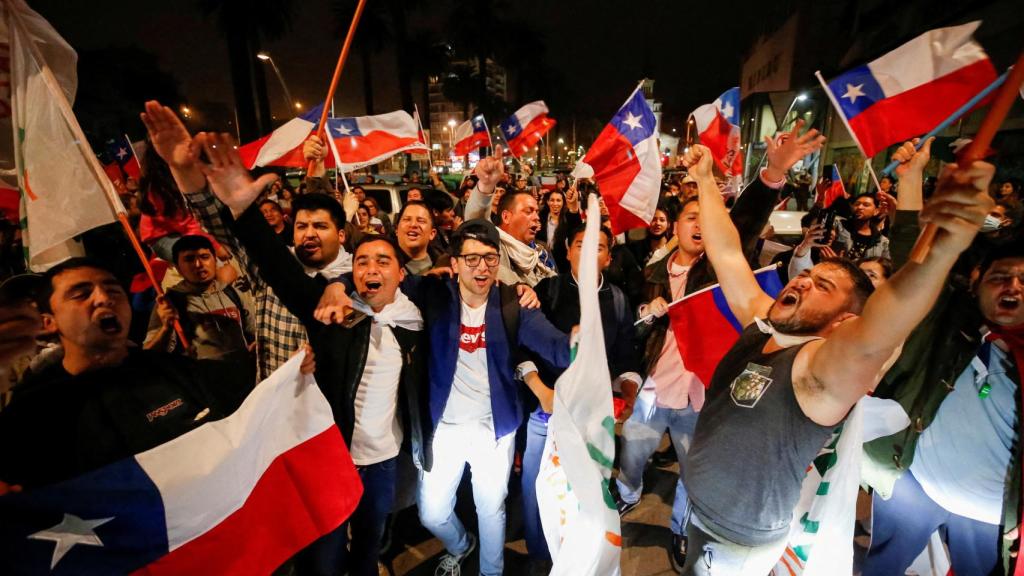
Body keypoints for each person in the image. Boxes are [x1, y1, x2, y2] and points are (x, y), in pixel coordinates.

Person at [677, 140, 992, 575]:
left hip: (735, 541)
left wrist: (943, 250)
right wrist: (705, 179)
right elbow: (727, 252)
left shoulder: (820, 372)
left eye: (822, 287)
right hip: (701, 511)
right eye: (807, 275)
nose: (804, 283)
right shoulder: (765, 325)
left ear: (844, 320)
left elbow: (883, 325)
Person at [200, 133, 430, 576]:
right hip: (331, 458)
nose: (371, 269)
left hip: (384, 463)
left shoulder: (418, 317)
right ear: (350, 270)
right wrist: (244, 213)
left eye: (383, 261)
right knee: (323, 562)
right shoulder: (334, 315)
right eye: (361, 262)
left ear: (402, 274)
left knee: (368, 550)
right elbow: (280, 270)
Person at [313, 218, 572, 576]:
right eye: (471, 259)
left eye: (490, 258)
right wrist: (339, 286)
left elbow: (555, 345)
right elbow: (382, 277)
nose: (481, 267)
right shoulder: (433, 293)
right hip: (442, 429)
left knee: (491, 507)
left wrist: (576, 343)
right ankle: (461, 544)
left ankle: (490, 572)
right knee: (431, 512)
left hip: (495, 430)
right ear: (454, 263)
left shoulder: (512, 302)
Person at [619, 120, 823, 572]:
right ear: (675, 225)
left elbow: (743, 228)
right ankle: (628, 497)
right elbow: (629, 330)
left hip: (701, 396)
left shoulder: (714, 274)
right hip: (654, 389)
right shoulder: (650, 270)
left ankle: (679, 531)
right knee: (632, 453)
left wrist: (771, 176)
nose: (699, 225)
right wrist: (643, 319)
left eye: (704, 219)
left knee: (694, 473)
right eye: (690, 217)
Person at [0, 258, 304, 490]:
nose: (103, 299)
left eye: (112, 290)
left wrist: (293, 373)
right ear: (48, 322)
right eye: (80, 294)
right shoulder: (34, 411)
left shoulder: (177, 373)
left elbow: (251, 415)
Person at [140, 101, 352, 379]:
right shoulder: (270, 263)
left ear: (341, 234)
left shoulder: (359, 275)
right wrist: (182, 168)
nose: (308, 233)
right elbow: (215, 219)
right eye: (301, 225)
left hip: (337, 412)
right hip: (274, 409)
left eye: (320, 226)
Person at [521, 222, 641, 570]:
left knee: (586, 493)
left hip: (592, 418)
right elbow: (523, 343)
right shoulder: (546, 291)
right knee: (537, 488)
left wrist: (629, 393)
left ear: (607, 257)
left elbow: (625, 356)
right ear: (568, 252)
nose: (588, 253)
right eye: (580, 245)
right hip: (548, 411)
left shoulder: (618, 300)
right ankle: (540, 557)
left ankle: (577, 558)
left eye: (598, 247)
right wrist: (540, 390)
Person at [144, 235, 254, 360]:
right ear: (178, 267)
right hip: (202, 377)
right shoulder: (170, 304)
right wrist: (165, 328)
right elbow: (150, 357)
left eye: (204, 257)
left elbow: (255, 333)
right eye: (189, 259)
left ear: (214, 259)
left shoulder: (232, 293)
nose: (198, 264)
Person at [465, 147, 557, 286]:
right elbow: (476, 222)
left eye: (537, 212)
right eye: (528, 211)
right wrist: (486, 185)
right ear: (506, 217)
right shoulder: (493, 247)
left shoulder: (540, 253)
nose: (536, 217)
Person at [834, 193, 891, 260]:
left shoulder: (881, 241)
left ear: (876, 211)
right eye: (857, 204)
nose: (860, 207)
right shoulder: (839, 226)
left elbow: (885, 265)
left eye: (866, 205)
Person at [393, 200, 437, 275]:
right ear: (396, 230)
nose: (413, 224)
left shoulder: (443, 264)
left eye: (421, 221)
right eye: (407, 219)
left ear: (432, 234)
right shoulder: (386, 267)